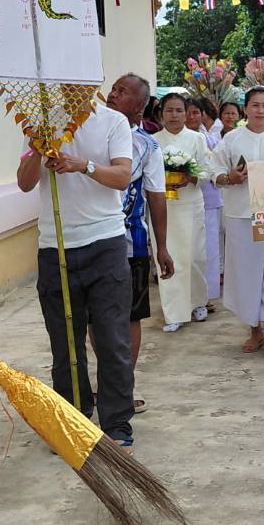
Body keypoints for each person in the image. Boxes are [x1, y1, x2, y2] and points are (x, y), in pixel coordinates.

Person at [16, 84, 135, 447]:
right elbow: (24, 183)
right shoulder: (38, 124)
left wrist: (82, 165)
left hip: (105, 242)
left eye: (80, 82)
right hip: (56, 247)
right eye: (64, 83)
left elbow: (122, 176)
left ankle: (116, 423)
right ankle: (75, 421)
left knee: (112, 339)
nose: (72, 89)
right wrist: (37, 150)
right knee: (65, 343)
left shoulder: (113, 122)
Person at [105, 75, 174, 414]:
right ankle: (108, 381)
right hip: (93, 241)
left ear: (140, 104)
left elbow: (156, 198)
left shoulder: (147, 146)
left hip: (132, 244)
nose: (112, 94)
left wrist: (162, 247)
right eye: (113, 88)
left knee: (130, 317)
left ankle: (123, 386)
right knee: (96, 317)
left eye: (122, 91)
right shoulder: (92, 134)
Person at [211, 87, 264, 358]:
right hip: (240, 213)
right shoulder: (231, 139)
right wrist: (229, 177)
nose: (260, 110)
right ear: (246, 109)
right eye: (254, 105)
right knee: (246, 274)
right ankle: (254, 328)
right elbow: (214, 172)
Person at [153, 93, 211, 331]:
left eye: (179, 110)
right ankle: (174, 312)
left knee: (195, 256)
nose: (174, 115)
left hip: (191, 204)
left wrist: (189, 177)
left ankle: (198, 302)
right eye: (169, 111)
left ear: (186, 113)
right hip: (162, 207)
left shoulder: (197, 139)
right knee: (168, 258)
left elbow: (207, 173)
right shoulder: (153, 140)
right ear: (161, 114)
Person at [186, 97, 223, 316]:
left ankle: (206, 296)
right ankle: (187, 296)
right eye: (187, 112)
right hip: (180, 201)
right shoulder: (177, 140)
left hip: (208, 200)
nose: (191, 117)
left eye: (195, 113)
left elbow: (217, 167)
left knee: (208, 250)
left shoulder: (210, 140)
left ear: (203, 115)